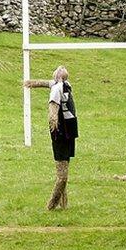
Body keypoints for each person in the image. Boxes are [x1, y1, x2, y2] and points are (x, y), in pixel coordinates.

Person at [24, 66, 78, 210]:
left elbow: (47, 89)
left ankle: (60, 204)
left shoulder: (61, 87)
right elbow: (48, 90)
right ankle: (55, 204)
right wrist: (30, 83)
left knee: (64, 169)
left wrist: (31, 83)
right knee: (63, 171)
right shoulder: (60, 87)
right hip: (65, 131)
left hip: (66, 131)